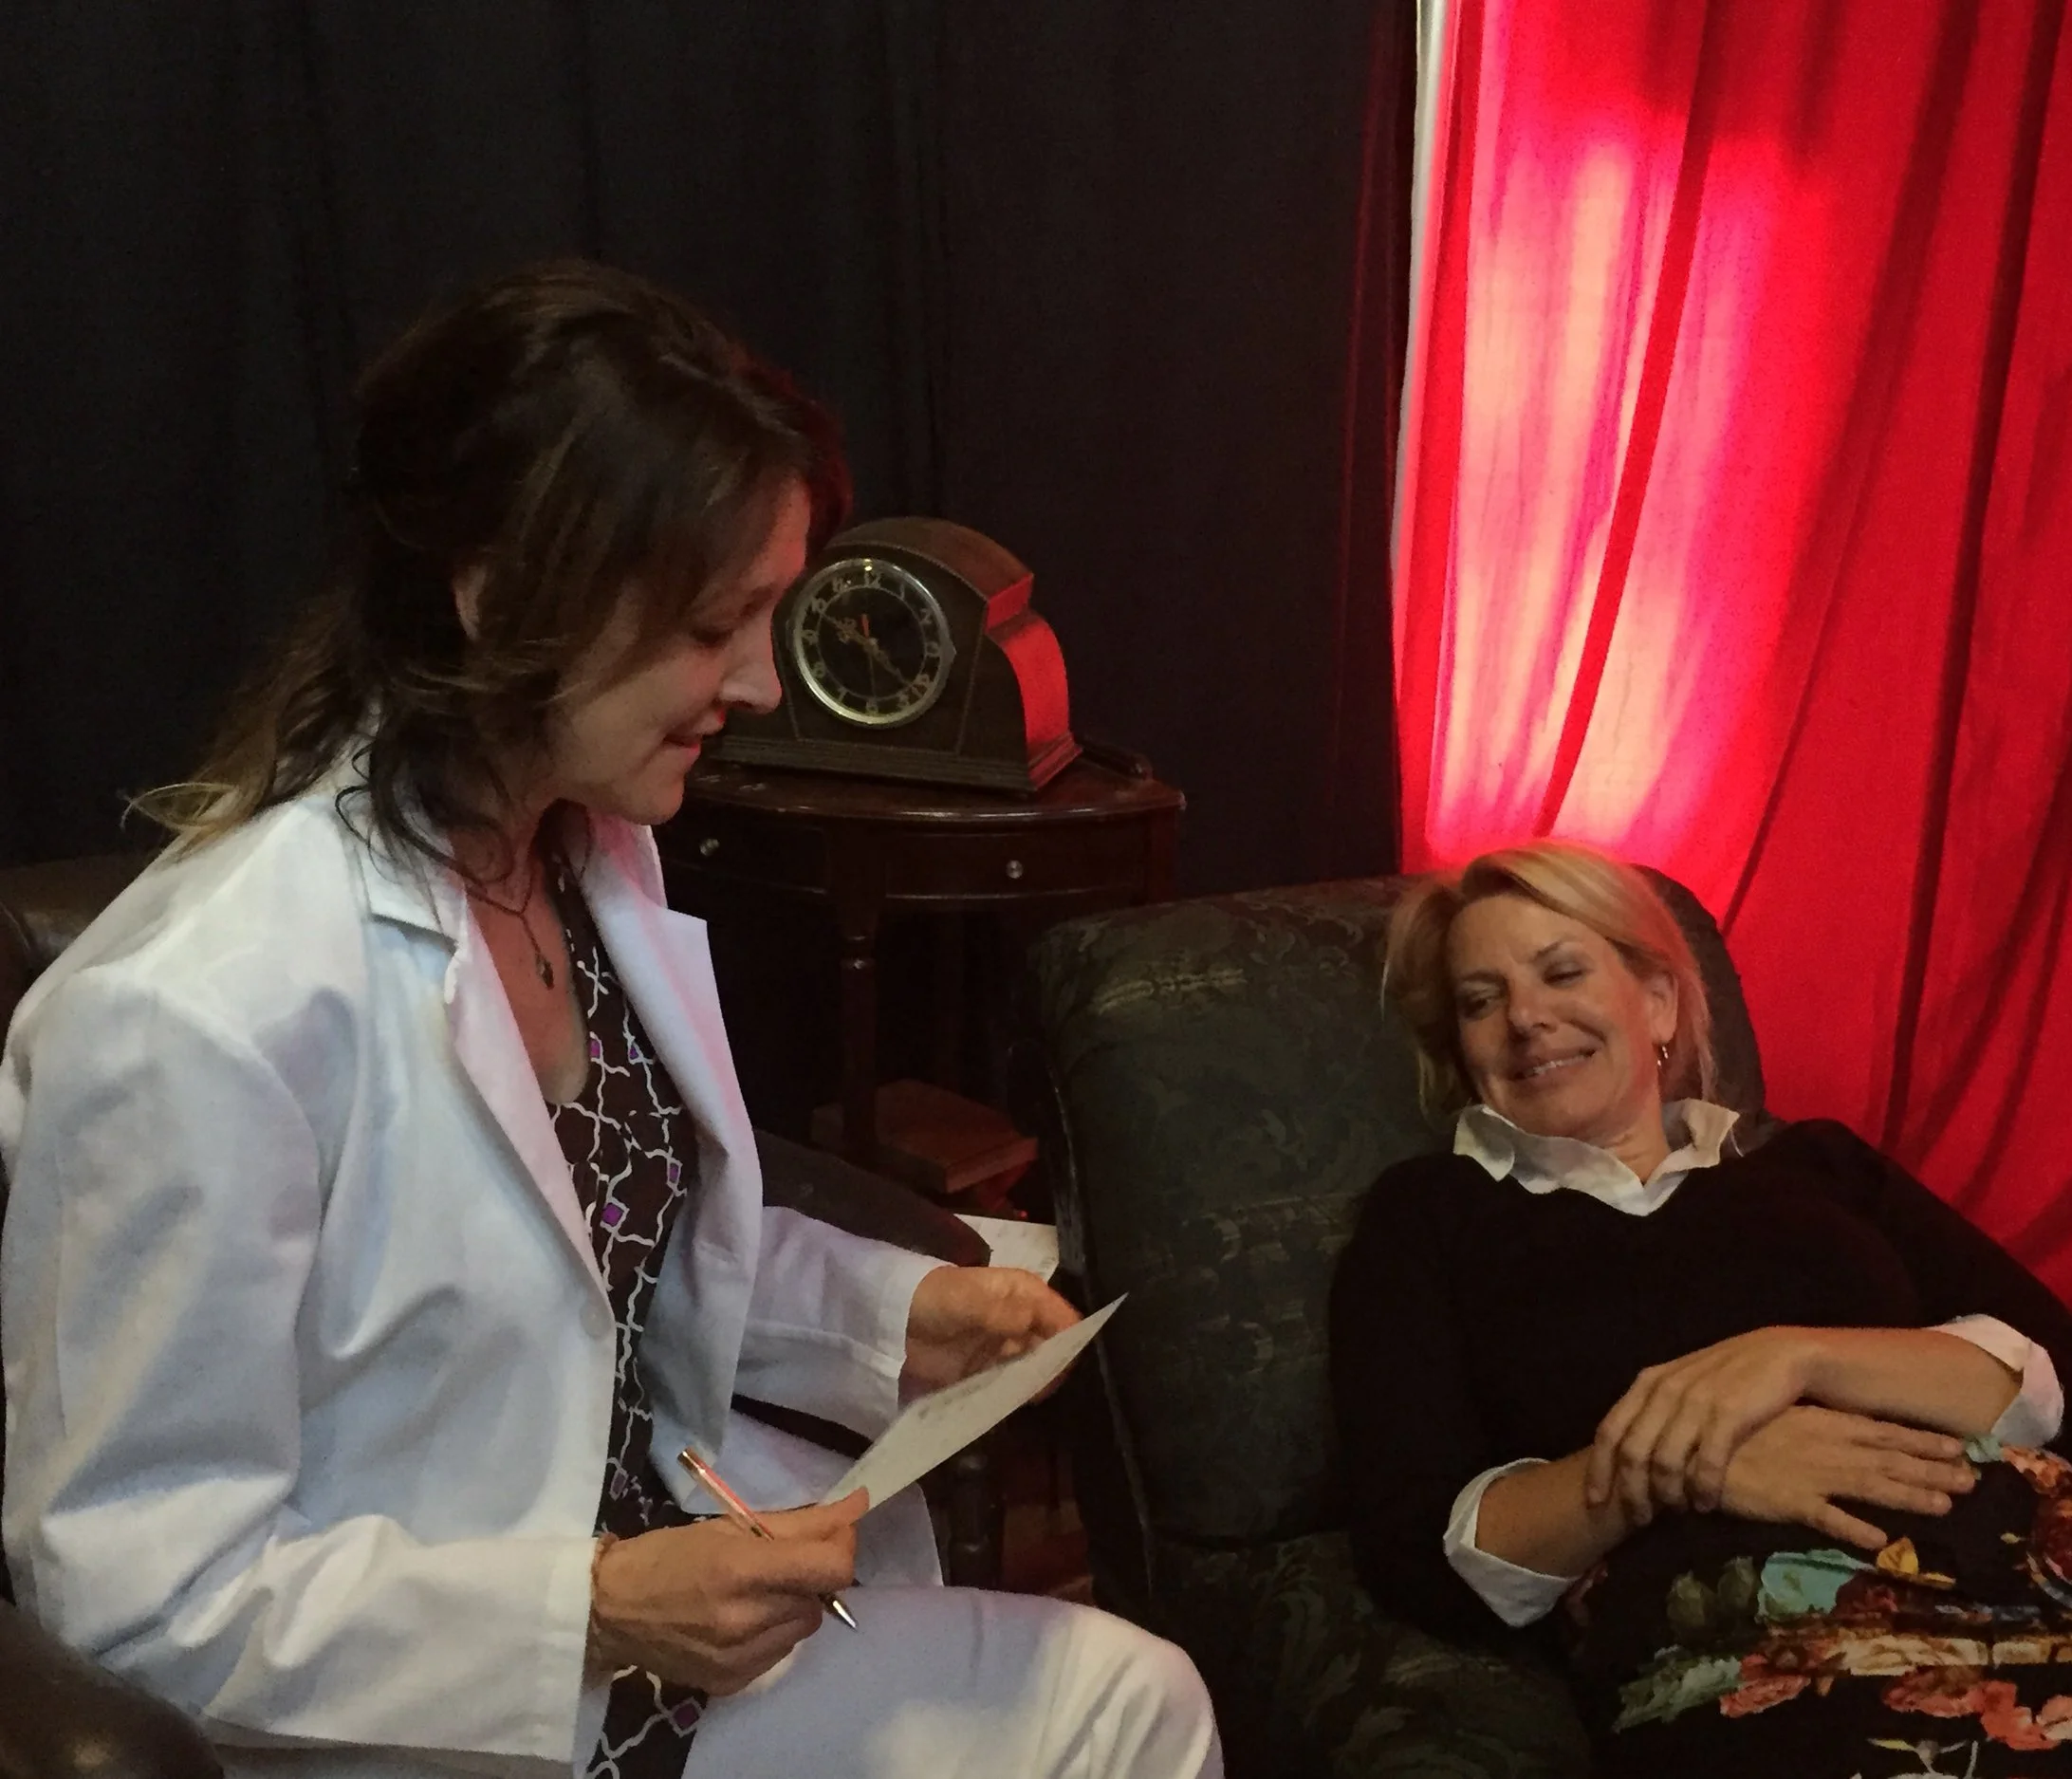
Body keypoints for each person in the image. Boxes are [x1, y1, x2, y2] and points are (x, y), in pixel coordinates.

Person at [0, 261, 1219, 1779]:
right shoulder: (188, 1018)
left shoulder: (586, 853)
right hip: (428, 1716)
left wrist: (894, 1315)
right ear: (503, 599)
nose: (768, 685)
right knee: (1116, 1707)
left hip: (647, 1610)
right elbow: (128, 1593)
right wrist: (584, 1607)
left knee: (1133, 1695)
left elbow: (611, 1242)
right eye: (721, 626)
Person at [1330, 840, 2072, 1776]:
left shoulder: (1817, 1166)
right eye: (1479, 999)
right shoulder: (1431, 1218)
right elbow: (1419, 1546)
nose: (1524, 1017)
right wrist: (1682, 1470)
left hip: (2054, 1557)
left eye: (1562, 972)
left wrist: (1796, 1360)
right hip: (1751, 1628)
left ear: (1654, 1003)